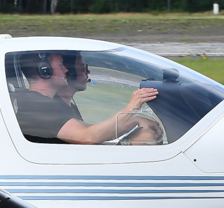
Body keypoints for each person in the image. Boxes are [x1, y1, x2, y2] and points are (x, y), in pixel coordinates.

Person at [12, 52, 162, 144]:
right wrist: (131, 107)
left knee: (146, 131)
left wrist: (134, 121)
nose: (66, 70)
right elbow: (88, 136)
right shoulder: (37, 105)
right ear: (44, 71)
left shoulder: (47, 103)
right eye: (61, 65)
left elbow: (88, 129)